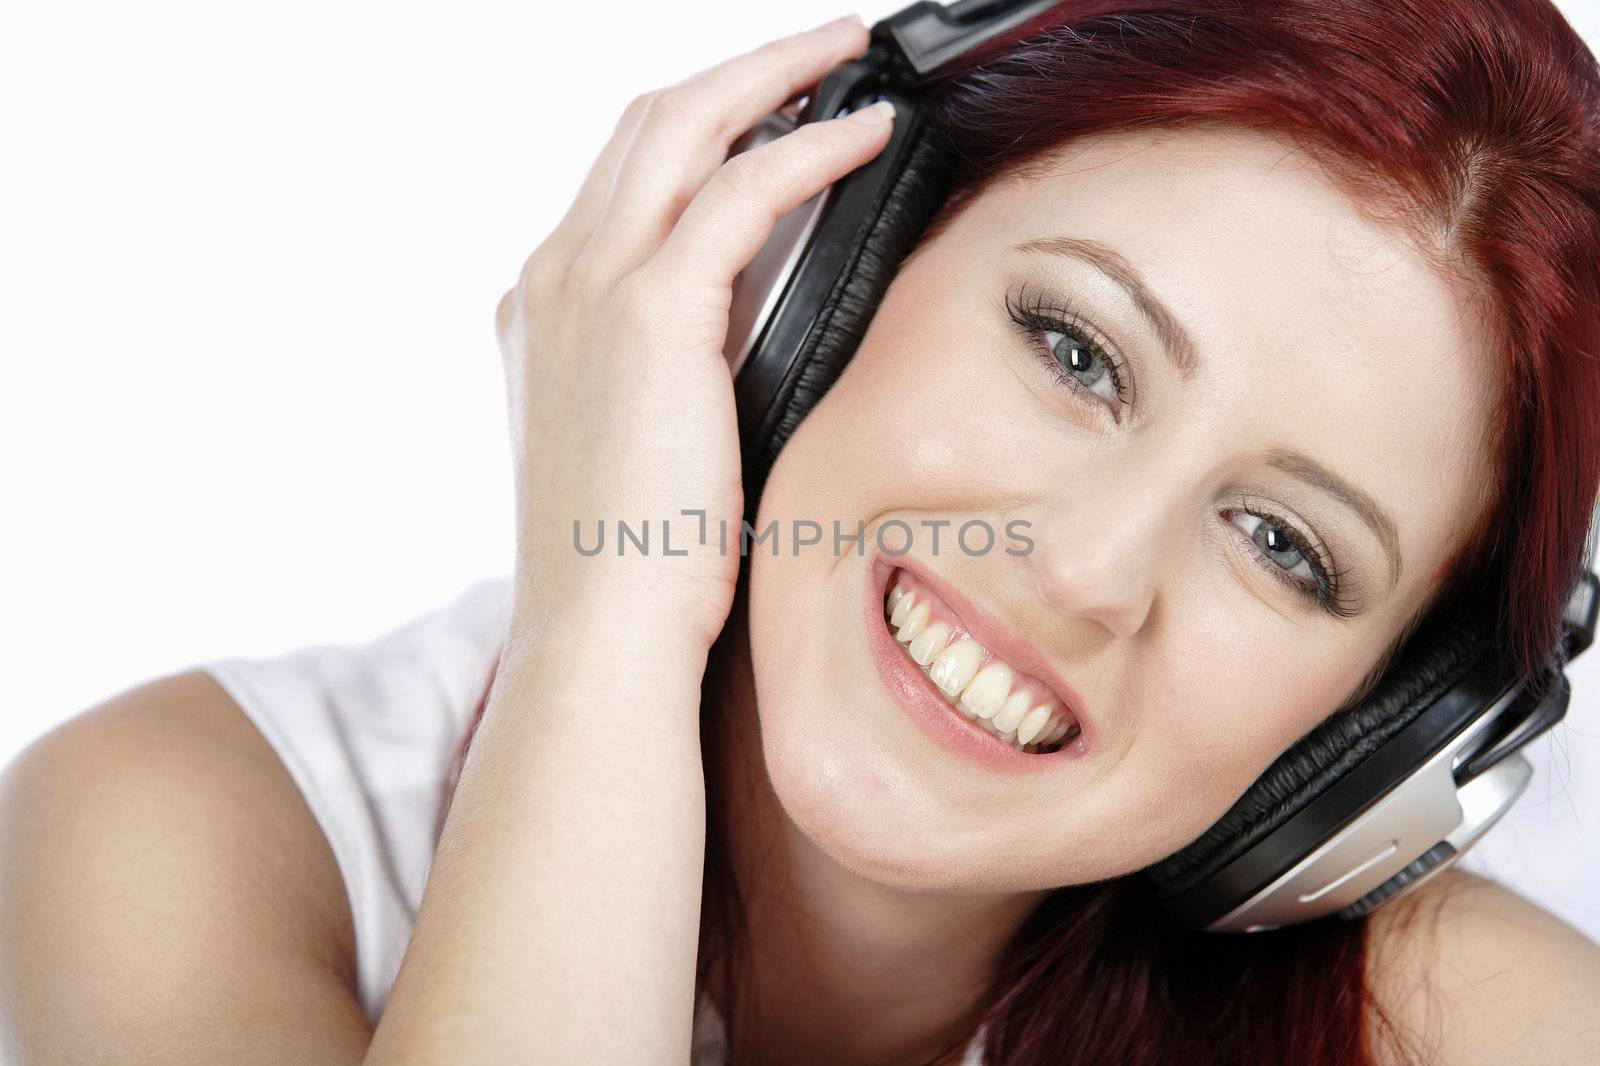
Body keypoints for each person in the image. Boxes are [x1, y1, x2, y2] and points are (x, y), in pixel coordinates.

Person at [4, 2, 1600, 1063]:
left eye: (1287, 545)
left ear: (1385, 740)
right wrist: (609, 610)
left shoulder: (1478, 1030)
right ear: (814, 277)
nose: (1090, 569)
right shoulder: (171, 839)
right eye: (1075, 352)